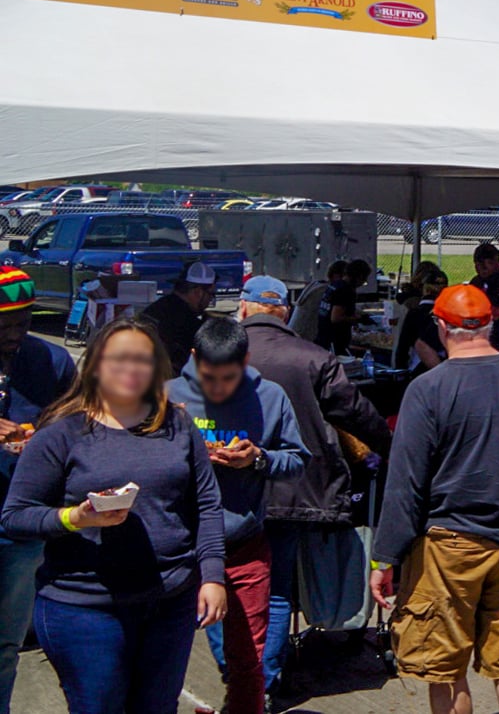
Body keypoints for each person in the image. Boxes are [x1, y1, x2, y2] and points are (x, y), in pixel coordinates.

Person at [0, 318, 227, 714]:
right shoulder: (61, 433)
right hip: (85, 607)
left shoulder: (178, 424)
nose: (131, 368)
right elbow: (15, 516)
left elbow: (206, 503)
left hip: (169, 601)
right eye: (119, 358)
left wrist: (212, 575)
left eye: (143, 359)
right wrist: (76, 518)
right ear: (96, 365)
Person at [370, 284, 499, 714]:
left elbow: (405, 484)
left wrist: (384, 559)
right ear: (490, 324)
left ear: (441, 327)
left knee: (446, 668)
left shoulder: (427, 388)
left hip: (448, 546)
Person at [239, 274, 392, 703]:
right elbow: (358, 414)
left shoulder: (217, 353)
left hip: (229, 491)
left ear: (245, 309)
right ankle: (261, 685)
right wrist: (392, 448)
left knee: (225, 584)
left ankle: (238, 670)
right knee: (278, 590)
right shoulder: (313, 356)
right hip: (293, 489)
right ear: (284, 313)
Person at [169, 318, 310, 714]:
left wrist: (258, 459)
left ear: (246, 360)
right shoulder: (167, 396)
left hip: (243, 543)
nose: (217, 388)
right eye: (208, 377)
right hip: (180, 547)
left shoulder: (270, 396)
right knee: (163, 654)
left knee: (249, 658)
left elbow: (298, 459)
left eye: (228, 378)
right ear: (194, 359)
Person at [0, 268, 73, 713]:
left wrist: (43, 437)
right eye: (4, 324)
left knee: (6, 643)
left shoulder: (53, 362)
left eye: (23, 322)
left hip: (21, 528)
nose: (14, 333)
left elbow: (76, 422)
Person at [142, 260, 216, 368]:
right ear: (198, 292)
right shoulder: (188, 323)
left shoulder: (158, 307)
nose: (210, 300)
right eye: (211, 294)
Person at [394, 270, 449, 374]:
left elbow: (403, 346)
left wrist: (400, 371)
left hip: (419, 368)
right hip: (445, 367)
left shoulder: (414, 313)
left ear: (424, 290)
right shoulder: (449, 314)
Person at [315, 259, 367, 355]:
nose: (363, 283)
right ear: (359, 277)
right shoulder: (345, 290)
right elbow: (336, 318)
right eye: (364, 280)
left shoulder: (334, 285)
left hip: (323, 337)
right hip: (335, 341)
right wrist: (358, 319)